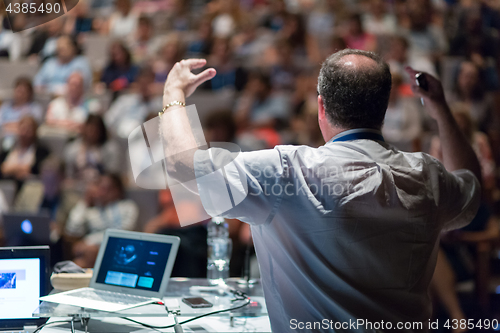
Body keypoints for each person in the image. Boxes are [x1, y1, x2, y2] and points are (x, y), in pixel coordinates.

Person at [158, 52, 481, 332]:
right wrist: (439, 107)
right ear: (382, 108)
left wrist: (173, 94)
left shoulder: (287, 170)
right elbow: (470, 184)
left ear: (321, 107)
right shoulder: (427, 175)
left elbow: (183, 165)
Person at [64, 173, 138, 267]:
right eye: (99, 187)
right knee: (77, 264)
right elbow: (72, 230)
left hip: (118, 249)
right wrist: (85, 202)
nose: (101, 191)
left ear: (117, 190)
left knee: (82, 261)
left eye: (106, 188)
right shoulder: (91, 210)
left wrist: (92, 243)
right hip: (88, 252)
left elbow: (124, 232)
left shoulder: (127, 207)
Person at [0, 116, 50, 186]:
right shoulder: (9, 148)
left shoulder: (41, 151)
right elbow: (2, 168)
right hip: (7, 185)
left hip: (30, 186)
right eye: (23, 129)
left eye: (28, 130)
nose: (25, 133)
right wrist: (20, 169)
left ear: (34, 131)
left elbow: (36, 169)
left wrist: (11, 169)